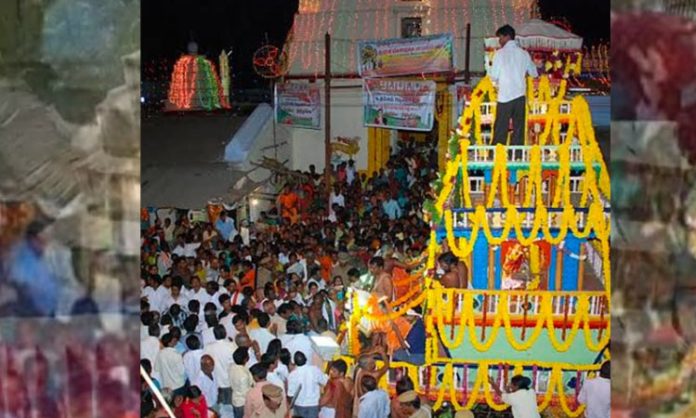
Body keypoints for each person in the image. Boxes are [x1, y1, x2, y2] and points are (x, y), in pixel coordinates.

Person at [489, 24, 538, 145]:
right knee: (518, 129)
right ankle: (517, 156)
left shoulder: (499, 54)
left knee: (501, 128)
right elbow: (534, 73)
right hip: (520, 96)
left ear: (507, 36)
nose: (499, 41)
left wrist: (496, 82)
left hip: (504, 96)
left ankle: (497, 155)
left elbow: (493, 76)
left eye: (500, 37)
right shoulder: (524, 54)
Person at [287, 351, 328, 418]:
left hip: (299, 405)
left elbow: (290, 395)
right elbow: (325, 381)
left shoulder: (292, 375)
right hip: (313, 405)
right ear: (306, 359)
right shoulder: (314, 370)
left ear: (294, 362)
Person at [203, 325, 237, 405]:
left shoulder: (208, 347)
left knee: (221, 406)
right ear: (225, 333)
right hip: (229, 380)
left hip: (216, 382)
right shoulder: (231, 346)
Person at [231, 347, 254, 418]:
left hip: (235, 398)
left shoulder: (232, 367)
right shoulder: (243, 376)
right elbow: (246, 393)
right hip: (242, 403)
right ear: (245, 359)